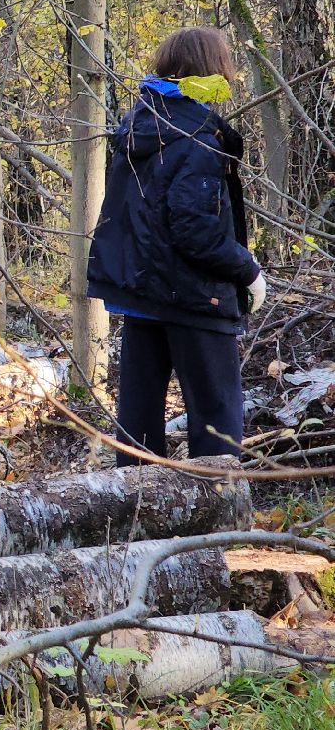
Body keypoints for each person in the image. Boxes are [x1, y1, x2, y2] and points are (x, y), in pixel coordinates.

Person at [89, 26, 263, 463]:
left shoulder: (138, 130)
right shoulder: (197, 140)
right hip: (192, 297)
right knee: (216, 418)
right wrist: (248, 270)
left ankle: (132, 513)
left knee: (137, 421)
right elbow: (193, 230)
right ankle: (222, 516)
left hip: (140, 295)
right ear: (208, 72)